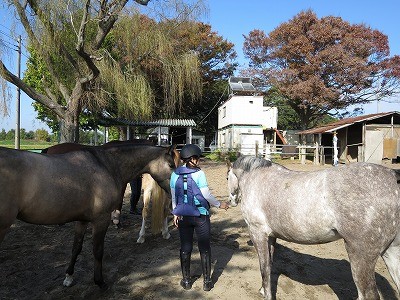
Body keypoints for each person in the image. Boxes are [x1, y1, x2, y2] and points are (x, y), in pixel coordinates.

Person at [170, 144, 229, 291]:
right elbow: (206, 195)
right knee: (204, 246)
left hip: (183, 215)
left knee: (186, 246)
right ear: (192, 159)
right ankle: (207, 282)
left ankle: (186, 281)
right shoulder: (200, 174)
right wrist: (219, 204)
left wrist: (175, 213)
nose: (199, 161)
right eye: (198, 158)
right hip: (201, 214)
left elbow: (173, 196)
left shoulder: (175, 174)